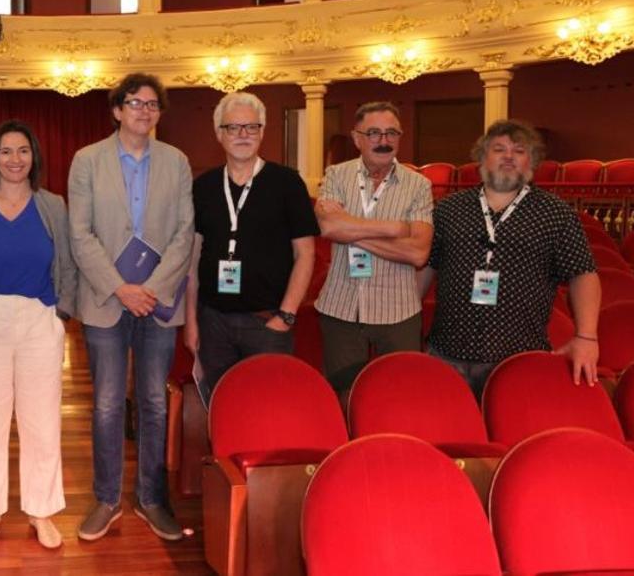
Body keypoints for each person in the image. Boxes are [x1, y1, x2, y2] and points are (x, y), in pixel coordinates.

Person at [69, 73, 194, 543]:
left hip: (158, 303)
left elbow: (185, 232)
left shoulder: (176, 162)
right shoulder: (87, 161)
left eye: (152, 104)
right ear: (117, 110)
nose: (144, 110)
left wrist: (154, 289)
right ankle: (106, 499)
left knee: (155, 402)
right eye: (134, 103)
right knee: (105, 404)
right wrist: (122, 288)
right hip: (106, 300)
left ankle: (151, 498)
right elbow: (80, 234)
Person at [0, 120, 77, 551]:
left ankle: (41, 509)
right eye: (5, 151)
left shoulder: (52, 205)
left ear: (34, 157)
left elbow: (66, 261)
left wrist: (61, 311)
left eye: (22, 151)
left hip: (37, 321)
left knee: (41, 420)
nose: (14, 159)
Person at [422, 119, 600, 396]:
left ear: (532, 160)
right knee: (448, 430)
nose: (508, 156)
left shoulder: (555, 213)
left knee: (512, 434)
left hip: (518, 357)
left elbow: (583, 273)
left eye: (519, 150)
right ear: (481, 157)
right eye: (499, 149)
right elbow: (426, 268)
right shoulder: (448, 210)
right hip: (446, 353)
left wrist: (586, 337)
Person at [184, 92, 319, 404]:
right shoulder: (203, 187)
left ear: (262, 132)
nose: (243, 135)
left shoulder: (287, 183)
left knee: (269, 408)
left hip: (267, 320)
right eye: (233, 128)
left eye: (251, 127)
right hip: (213, 322)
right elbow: (191, 260)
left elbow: (306, 254)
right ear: (219, 133)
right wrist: (192, 321)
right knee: (220, 407)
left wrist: (285, 315)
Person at [313, 101, 433, 400]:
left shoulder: (418, 185)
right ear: (357, 138)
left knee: (400, 395)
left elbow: (418, 252)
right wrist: (394, 229)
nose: (384, 141)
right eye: (375, 133)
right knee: (344, 396)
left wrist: (350, 231)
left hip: (398, 310)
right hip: (340, 306)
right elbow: (329, 229)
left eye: (392, 133)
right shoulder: (336, 175)